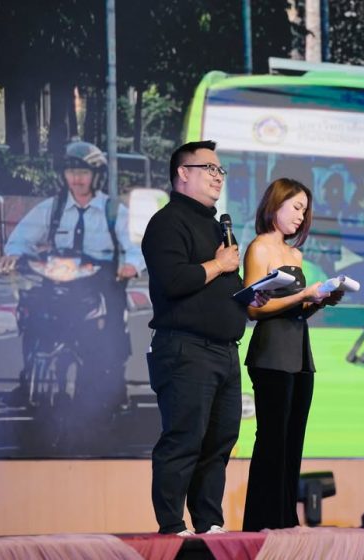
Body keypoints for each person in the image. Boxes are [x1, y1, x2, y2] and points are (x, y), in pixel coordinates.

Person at [141, 140, 267, 536]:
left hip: (225, 351)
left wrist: (250, 294)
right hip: (186, 348)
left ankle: (209, 521)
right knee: (184, 438)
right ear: (183, 173)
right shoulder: (167, 223)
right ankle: (171, 524)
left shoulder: (216, 226)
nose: (217, 177)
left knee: (220, 441)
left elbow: (221, 286)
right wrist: (219, 263)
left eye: (220, 170)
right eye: (209, 169)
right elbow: (174, 281)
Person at [0, 140, 144, 413]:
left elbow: (136, 247)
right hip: (58, 283)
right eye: (71, 172)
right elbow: (21, 238)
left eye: (83, 172)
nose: (76, 178)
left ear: (96, 176)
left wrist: (131, 266)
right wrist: (14, 255)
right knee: (32, 314)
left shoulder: (114, 212)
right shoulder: (52, 208)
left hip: (101, 284)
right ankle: (29, 378)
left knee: (112, 332)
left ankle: (114, 386)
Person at [241, 178, 342, 532]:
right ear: (276, 204)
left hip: (298, 353)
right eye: (296, 207)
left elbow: (295, 310)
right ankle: (262, 522)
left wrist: (320, 301)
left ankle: (286, 518)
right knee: (272, 439)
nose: (301, 216)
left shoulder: (295, 255)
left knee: (293, 438)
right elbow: (253, 308)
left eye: (305, 210)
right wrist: (302, 296)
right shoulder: (259, 248)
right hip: (270, 354)